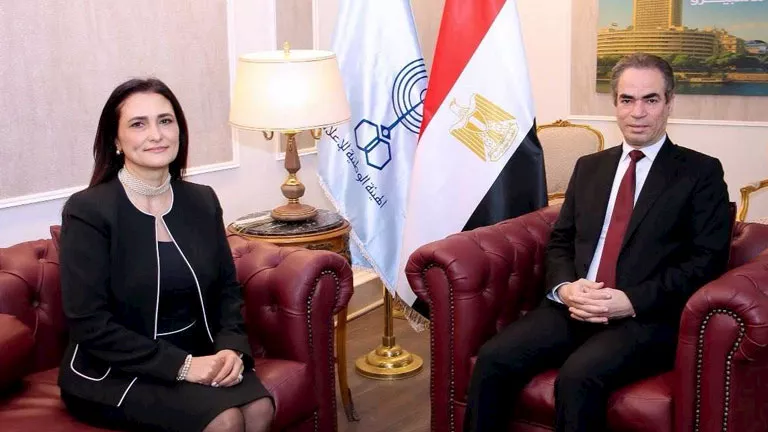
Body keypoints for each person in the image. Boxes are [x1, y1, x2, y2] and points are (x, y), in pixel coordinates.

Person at [464, 53, 732, 431]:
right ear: (615, 104)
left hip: (645, 316)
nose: (637, 112)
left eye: (651, 99)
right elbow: (561, 240)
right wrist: (565, 288)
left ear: (669, 103)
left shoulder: (701, 172)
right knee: (493, 359)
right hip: (574, 305)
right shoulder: (590, 167)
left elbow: (706, 261)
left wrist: (631, 300)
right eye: (627, 99)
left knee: (578, 378)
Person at [58, 78, 274, 432]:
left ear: (179, 131)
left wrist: (231, 348)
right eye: (138, 124)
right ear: (115, 141)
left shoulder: (202, 200)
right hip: (114, 369)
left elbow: (227, 290)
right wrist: (183, 367)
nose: (156, 134)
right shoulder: (88, 211)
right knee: (225, 420)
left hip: (197, 350)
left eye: (165, 121)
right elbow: (89, 324)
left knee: (259, 408)